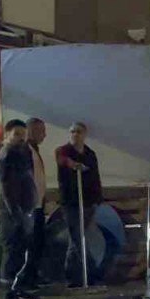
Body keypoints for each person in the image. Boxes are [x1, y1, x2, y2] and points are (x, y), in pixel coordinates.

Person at [0, 121, 37, 299]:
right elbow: (6, 189)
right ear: (7, 135)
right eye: (17, 134)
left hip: (24, 209)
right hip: (10, 211)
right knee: (12, 250)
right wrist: (16, 213)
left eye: (23, 135)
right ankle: (8, 290)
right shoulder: (6, 156)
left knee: (20, 251)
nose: (21, 138)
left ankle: (18, 287)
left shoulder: (23, 152)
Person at [56, 122, 101, 287]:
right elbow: (62, 160)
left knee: (75, 242)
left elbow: (95, 177)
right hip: (71, 203)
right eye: (72, 131)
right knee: (77, 238)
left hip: (88, 202)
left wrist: (97, 199)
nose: (75, 134)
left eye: (79, 132)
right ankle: (92, 271)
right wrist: (73, 165)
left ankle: (71, 276)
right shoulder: (63, 151)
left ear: (84, 134)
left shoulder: (90, 154)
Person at [26, 118, 49, 286]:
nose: (44, 135)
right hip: (30, 206)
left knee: (38, 242)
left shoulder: (34, 150)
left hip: (38, 204)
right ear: (32, 131)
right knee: (31, 243)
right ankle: (28, 278)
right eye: (42, 131)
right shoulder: (25, 151)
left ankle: (34, 276)